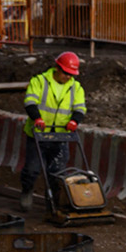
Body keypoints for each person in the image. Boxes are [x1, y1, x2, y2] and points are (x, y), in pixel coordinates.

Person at [20, 51, 87, 209]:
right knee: (32, 169)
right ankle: (27, 191)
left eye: (71, 74)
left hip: (60, 135)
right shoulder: (40, 81)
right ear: (57, 67)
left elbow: (80, 108)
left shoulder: (76, 88)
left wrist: (74, 121)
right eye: (66, 73)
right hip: (38, 134)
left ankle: (53, 203)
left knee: (57, 173)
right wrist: (37, 117)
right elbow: (30, 101)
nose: (68, 77)